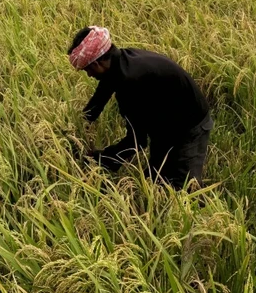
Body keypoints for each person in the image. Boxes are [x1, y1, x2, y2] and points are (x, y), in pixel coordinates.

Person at [68, 26, 213, 188]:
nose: (89, 74)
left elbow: (136, 141)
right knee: (156, 178)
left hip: (190, 125)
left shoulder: (130, 82)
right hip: (166, 120)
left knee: (184, 186)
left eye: (87, 69)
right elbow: (103, 92)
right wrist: (83, 121)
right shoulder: (120, 61)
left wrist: (100, 159)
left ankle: (201, 208)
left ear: (96, 63)